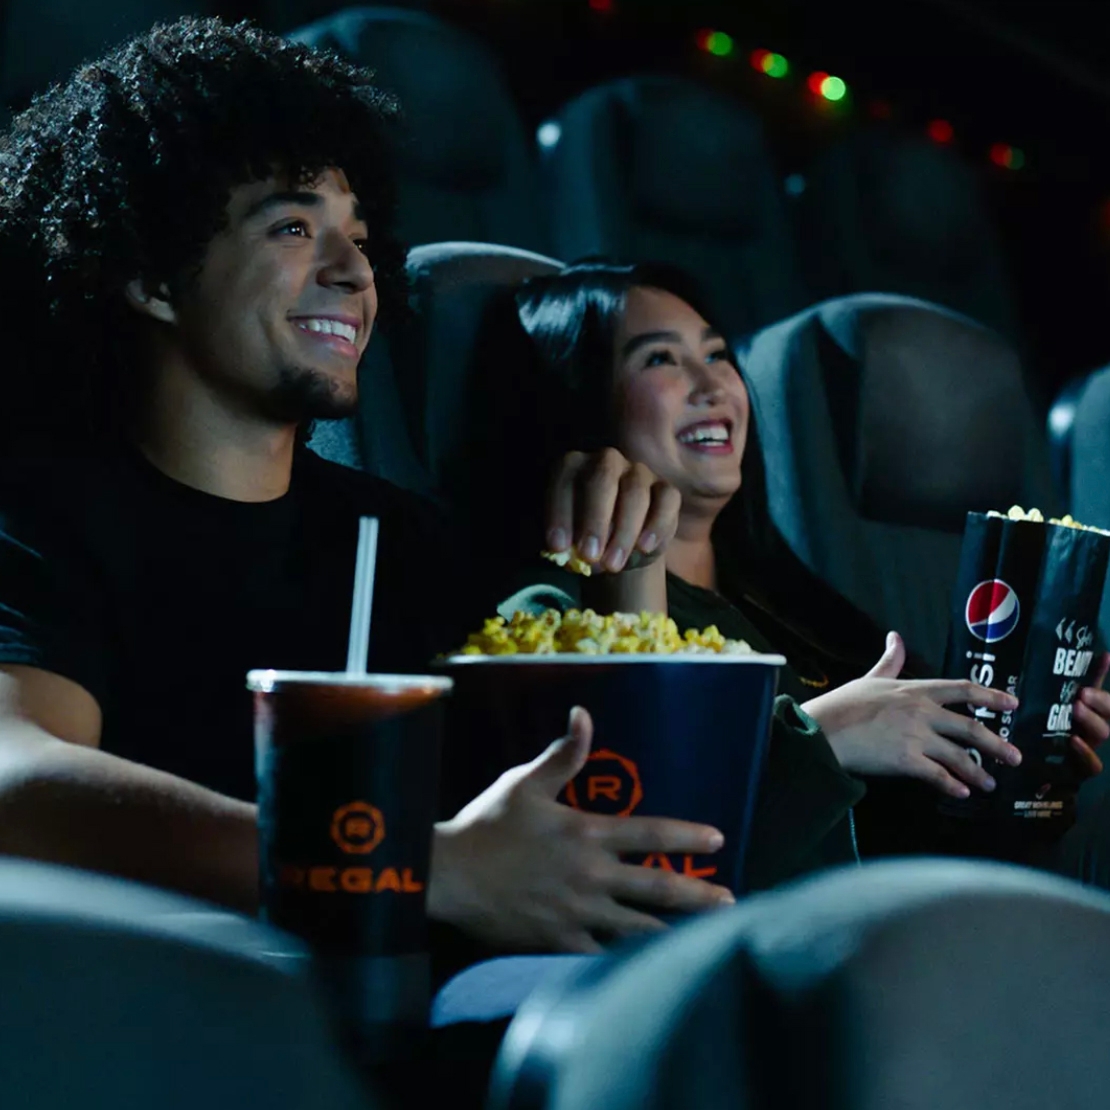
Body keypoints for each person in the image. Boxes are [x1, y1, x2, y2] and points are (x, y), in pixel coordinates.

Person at [0, 20, 736, 967]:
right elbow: (19, 782)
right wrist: (417, 863)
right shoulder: (41, 520)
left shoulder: (401, 540)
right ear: (151, 274)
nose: (354, 273)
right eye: (295, 227)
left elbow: (601, 833)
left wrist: (630, 579)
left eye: (357, 233)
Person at [498, 260, 1110, 882]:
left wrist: (1029, 757)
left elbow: (933, 832)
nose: (713, 385)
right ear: (576, 394)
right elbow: (646, 856)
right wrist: (823, 735)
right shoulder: (559, 616)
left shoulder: (798, 602)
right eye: (660, 359)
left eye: (717, 355)